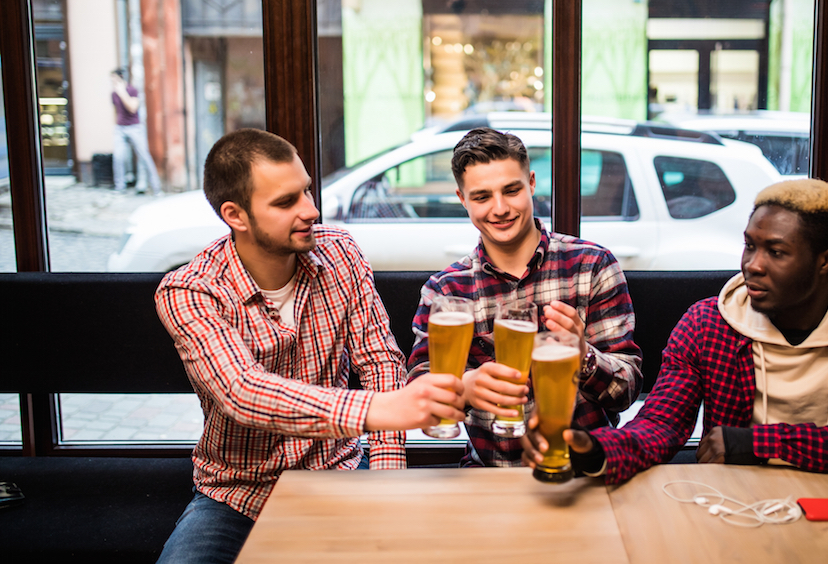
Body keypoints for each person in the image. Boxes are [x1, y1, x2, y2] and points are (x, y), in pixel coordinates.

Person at [154, 128, 465, 563]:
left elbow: (379, 362)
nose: (311, 210)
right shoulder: (191, 290)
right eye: (286, 202)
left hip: (339, 474)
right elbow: (243, 392)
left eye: (306, 191)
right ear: (235, 215)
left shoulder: (341, 255)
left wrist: (388, 479)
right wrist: (382, 409)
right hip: (236, 494)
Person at [522, 178, 828, 483]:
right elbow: (661, 426)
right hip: (737, 504)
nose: (752, 264)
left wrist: (757, 443)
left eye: (776, 251)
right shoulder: (708, 323)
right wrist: (594, 449)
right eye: (750, 245)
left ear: (825, 260)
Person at [407, 127, 643, 466]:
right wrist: (467, 387)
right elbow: (418, 390)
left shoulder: (591, 265)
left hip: (581, 470)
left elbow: (628, 391)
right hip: (488, 475)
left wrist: (583, 356)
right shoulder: (446, 290)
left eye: (512, 190)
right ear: (462, 200)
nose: (499, 208)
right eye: (482, 196)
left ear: (531, 183)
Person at [110, 68, 162, 195]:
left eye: (114, 79)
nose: (112, 82)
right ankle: (120, 187)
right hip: (120, 128)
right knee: (118, 157)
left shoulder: (131, 91)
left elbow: (132, 108)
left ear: (120, 78)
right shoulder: (113, 94)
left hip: (134, 127)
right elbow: (116, 111)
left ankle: (156, 188)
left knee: (144, 156)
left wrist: (122, 93)